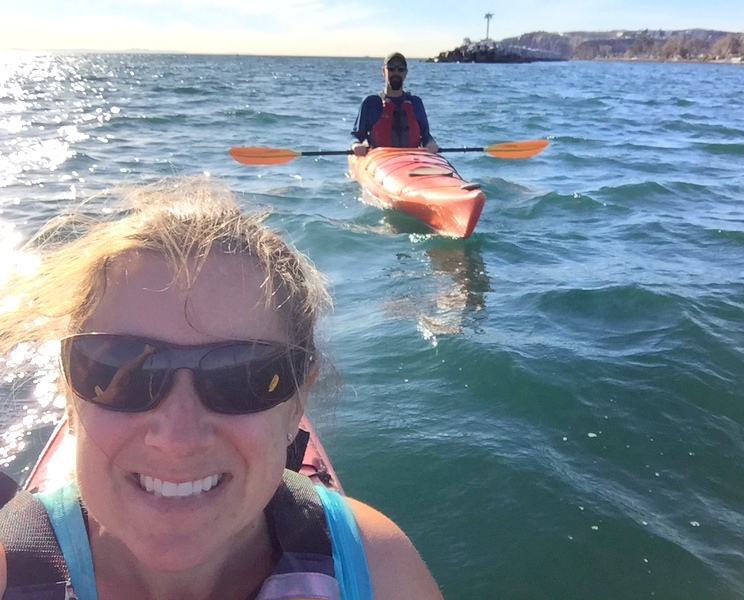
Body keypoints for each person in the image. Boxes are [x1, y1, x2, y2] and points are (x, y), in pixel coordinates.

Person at [0, 177, 444, 600]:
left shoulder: (377, 566)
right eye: (122, 370)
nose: (178, 439)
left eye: (243, 377)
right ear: (69, 394)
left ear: (296, 404)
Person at [350, 52, 439, 156]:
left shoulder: (416, 103)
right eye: (391, 68)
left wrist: (431, 143)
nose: (396, 72)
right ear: (383, 71)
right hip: (381, 162)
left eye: (400, 69)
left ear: (405, 73)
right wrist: (355, 144)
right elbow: (355, 135)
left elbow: (425, 136)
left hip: (412, 161)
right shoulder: (371, 103)